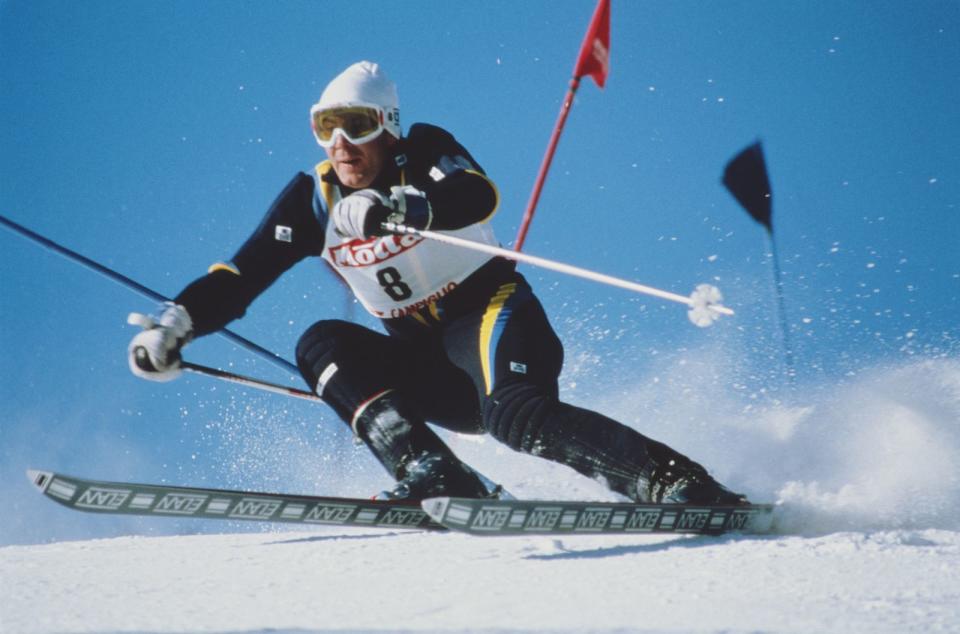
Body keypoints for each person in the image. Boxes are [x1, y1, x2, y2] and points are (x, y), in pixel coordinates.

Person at [128, 61, 746, 505]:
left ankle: (673, 482)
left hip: (491, 318)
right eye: (326, 127)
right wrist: (179, 324)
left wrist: (402, 209)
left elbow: (475, 194)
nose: (341, 145)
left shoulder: (423, 150)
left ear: (389, 124)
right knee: (318, 342)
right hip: (422, 361)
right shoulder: (312, 201)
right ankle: (435, 474)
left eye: (357, 125)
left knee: (517, 420)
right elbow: (241, 276)